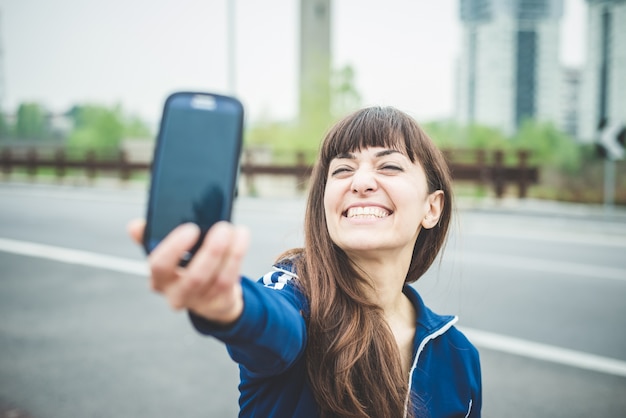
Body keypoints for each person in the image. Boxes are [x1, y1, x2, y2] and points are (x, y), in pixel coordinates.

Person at [128, 106, 482, 418]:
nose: (360, 182)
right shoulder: (294, 291)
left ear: (432, 207)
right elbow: (274, 326)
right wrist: (231, 306)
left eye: (388, 166)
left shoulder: (458, 357)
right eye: (342, 170)